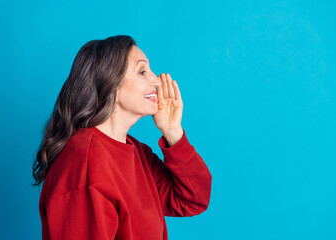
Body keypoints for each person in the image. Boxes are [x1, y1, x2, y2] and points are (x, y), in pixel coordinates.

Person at [32, 35, 212, 240]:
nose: (155, 80)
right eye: (143, 71)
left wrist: (173, 132)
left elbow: (192, 200)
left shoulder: (135, 151)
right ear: (111, 83)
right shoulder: (85, 165)